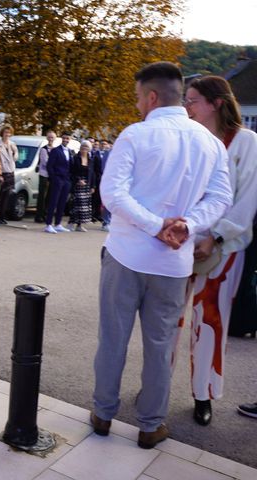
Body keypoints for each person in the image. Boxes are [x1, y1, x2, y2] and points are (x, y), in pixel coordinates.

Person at [91, 62, 232, 450]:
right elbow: (221, 198)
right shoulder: (211, 143)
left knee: (113, 338)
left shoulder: (136, 134)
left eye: (138, 97)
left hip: (126, 254)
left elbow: (113, 194)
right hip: (173, 262)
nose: (137, 104)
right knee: (160, 344)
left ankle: (103, 413)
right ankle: (151, 424)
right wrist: (187, 224)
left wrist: (157, 225)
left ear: (151, 96)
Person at [174, 76, 257, 426]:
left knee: (209, 323)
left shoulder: (246, 142)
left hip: (222, 249)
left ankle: (203, 393)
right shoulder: (187, 139)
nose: (187, 106)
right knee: (168, 319)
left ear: (216, 102)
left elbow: (247, 199)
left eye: (192, 100)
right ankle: (156, 384)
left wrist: (217, 237)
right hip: (179, 243)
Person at [44, 132, 74, 234]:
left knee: (62, 202)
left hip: (66, 180)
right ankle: (48, 224)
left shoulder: (70, 152)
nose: (66, 140)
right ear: (62, 139)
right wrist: (53, 178)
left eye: (68, 138)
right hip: (57, 179)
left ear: (70, 140)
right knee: (53, 202)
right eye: (64, 138)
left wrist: (70, 179)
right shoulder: (55, 150)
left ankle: (58, 223)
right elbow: (49, 166)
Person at [70, 140, 96, 232]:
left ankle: (79, 225)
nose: (84, 149)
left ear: (89, 149)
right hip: (77, 183)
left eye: (86, 147)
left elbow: (92, 173)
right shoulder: (75, 158)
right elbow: (72, 172)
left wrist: (93, 186)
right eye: (82, 147)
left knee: (84, 206)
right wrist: (78, 180)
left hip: (86, 184)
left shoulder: (90, 160)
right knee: (76, 204)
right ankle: (71, 223)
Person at [0, 125, 18, 224]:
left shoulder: (12, 144)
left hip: (10, 172)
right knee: (0, 196)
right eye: (5, 132)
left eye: (9, 133)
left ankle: (2, 215)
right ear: (2, 133)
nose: (7, 134)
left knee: (7, 196)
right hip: (2, 172)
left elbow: (15, 158)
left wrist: (14, 152)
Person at [34, 130, 56, 223]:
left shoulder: (55, 149)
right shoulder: (43, 149)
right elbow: (45, 162)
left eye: (52, 137)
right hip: (44, 175)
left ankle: (46, 214)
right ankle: (39, 215)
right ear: (47, 138)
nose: (51, 139)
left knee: (49, 196)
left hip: (52, 176)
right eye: (49, 137)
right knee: (42, 196)